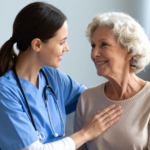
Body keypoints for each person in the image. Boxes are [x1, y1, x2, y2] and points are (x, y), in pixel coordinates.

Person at [0, 3, 122, 150]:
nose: (67, 48)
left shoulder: (52, 77)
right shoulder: (5, 91)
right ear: (37, 44)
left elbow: (92, 98)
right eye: (61, 42)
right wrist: (85, 134)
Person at [74, 12, 150, 150]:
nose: (94, 54)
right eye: (93, 45)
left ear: (129, 51)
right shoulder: (87, 99)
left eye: (104, 44)